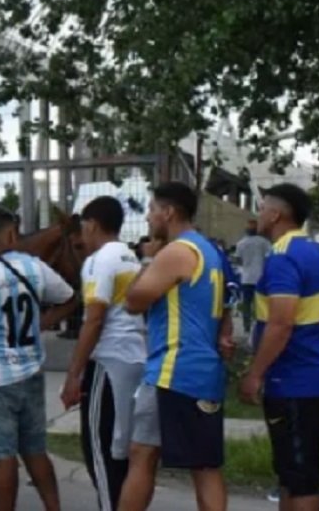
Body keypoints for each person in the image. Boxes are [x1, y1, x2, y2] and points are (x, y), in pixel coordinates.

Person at [0, 206, 77, 511]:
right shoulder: (34, 267)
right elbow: (71, 298)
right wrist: (44, 322)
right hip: (31, 371)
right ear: (11, 234)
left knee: (3, 457)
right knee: (35, 450)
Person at [119, 182, 229, 511]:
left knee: (142, 456)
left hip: (173, 369)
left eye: (152, 209)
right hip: (202, 369)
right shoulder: (209, 251)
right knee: (204, 466)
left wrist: (147, 260)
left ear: (168, 213)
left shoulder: (176, 252)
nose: (148, 217)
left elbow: (133, 301)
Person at [238, 183, 319, 511]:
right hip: (316, 373)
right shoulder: (315, 252)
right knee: (291, 475)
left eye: (262, 207)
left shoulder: (283, 257)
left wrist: (255, 374)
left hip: (294, 379)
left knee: (300, 477)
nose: (258, 214)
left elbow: (281, 323)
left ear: (276, 215)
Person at [60, 196, 145, 511]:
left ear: (92, 225)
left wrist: (74, 374)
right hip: (136, 358)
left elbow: (94, 319)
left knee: (99, 449)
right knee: (122, 448)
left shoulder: (98, 261)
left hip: (108, 362)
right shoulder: (131, 258)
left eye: (83, 228)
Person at [235, 219, 272, 336]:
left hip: (246, 278)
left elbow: (238, 260)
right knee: (260, 304)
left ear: (246, 230)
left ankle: (246, 327)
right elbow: (269, 257)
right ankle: (259, 326)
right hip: (260, 277)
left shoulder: (240, 243)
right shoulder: (264, 242)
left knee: (246, 304)